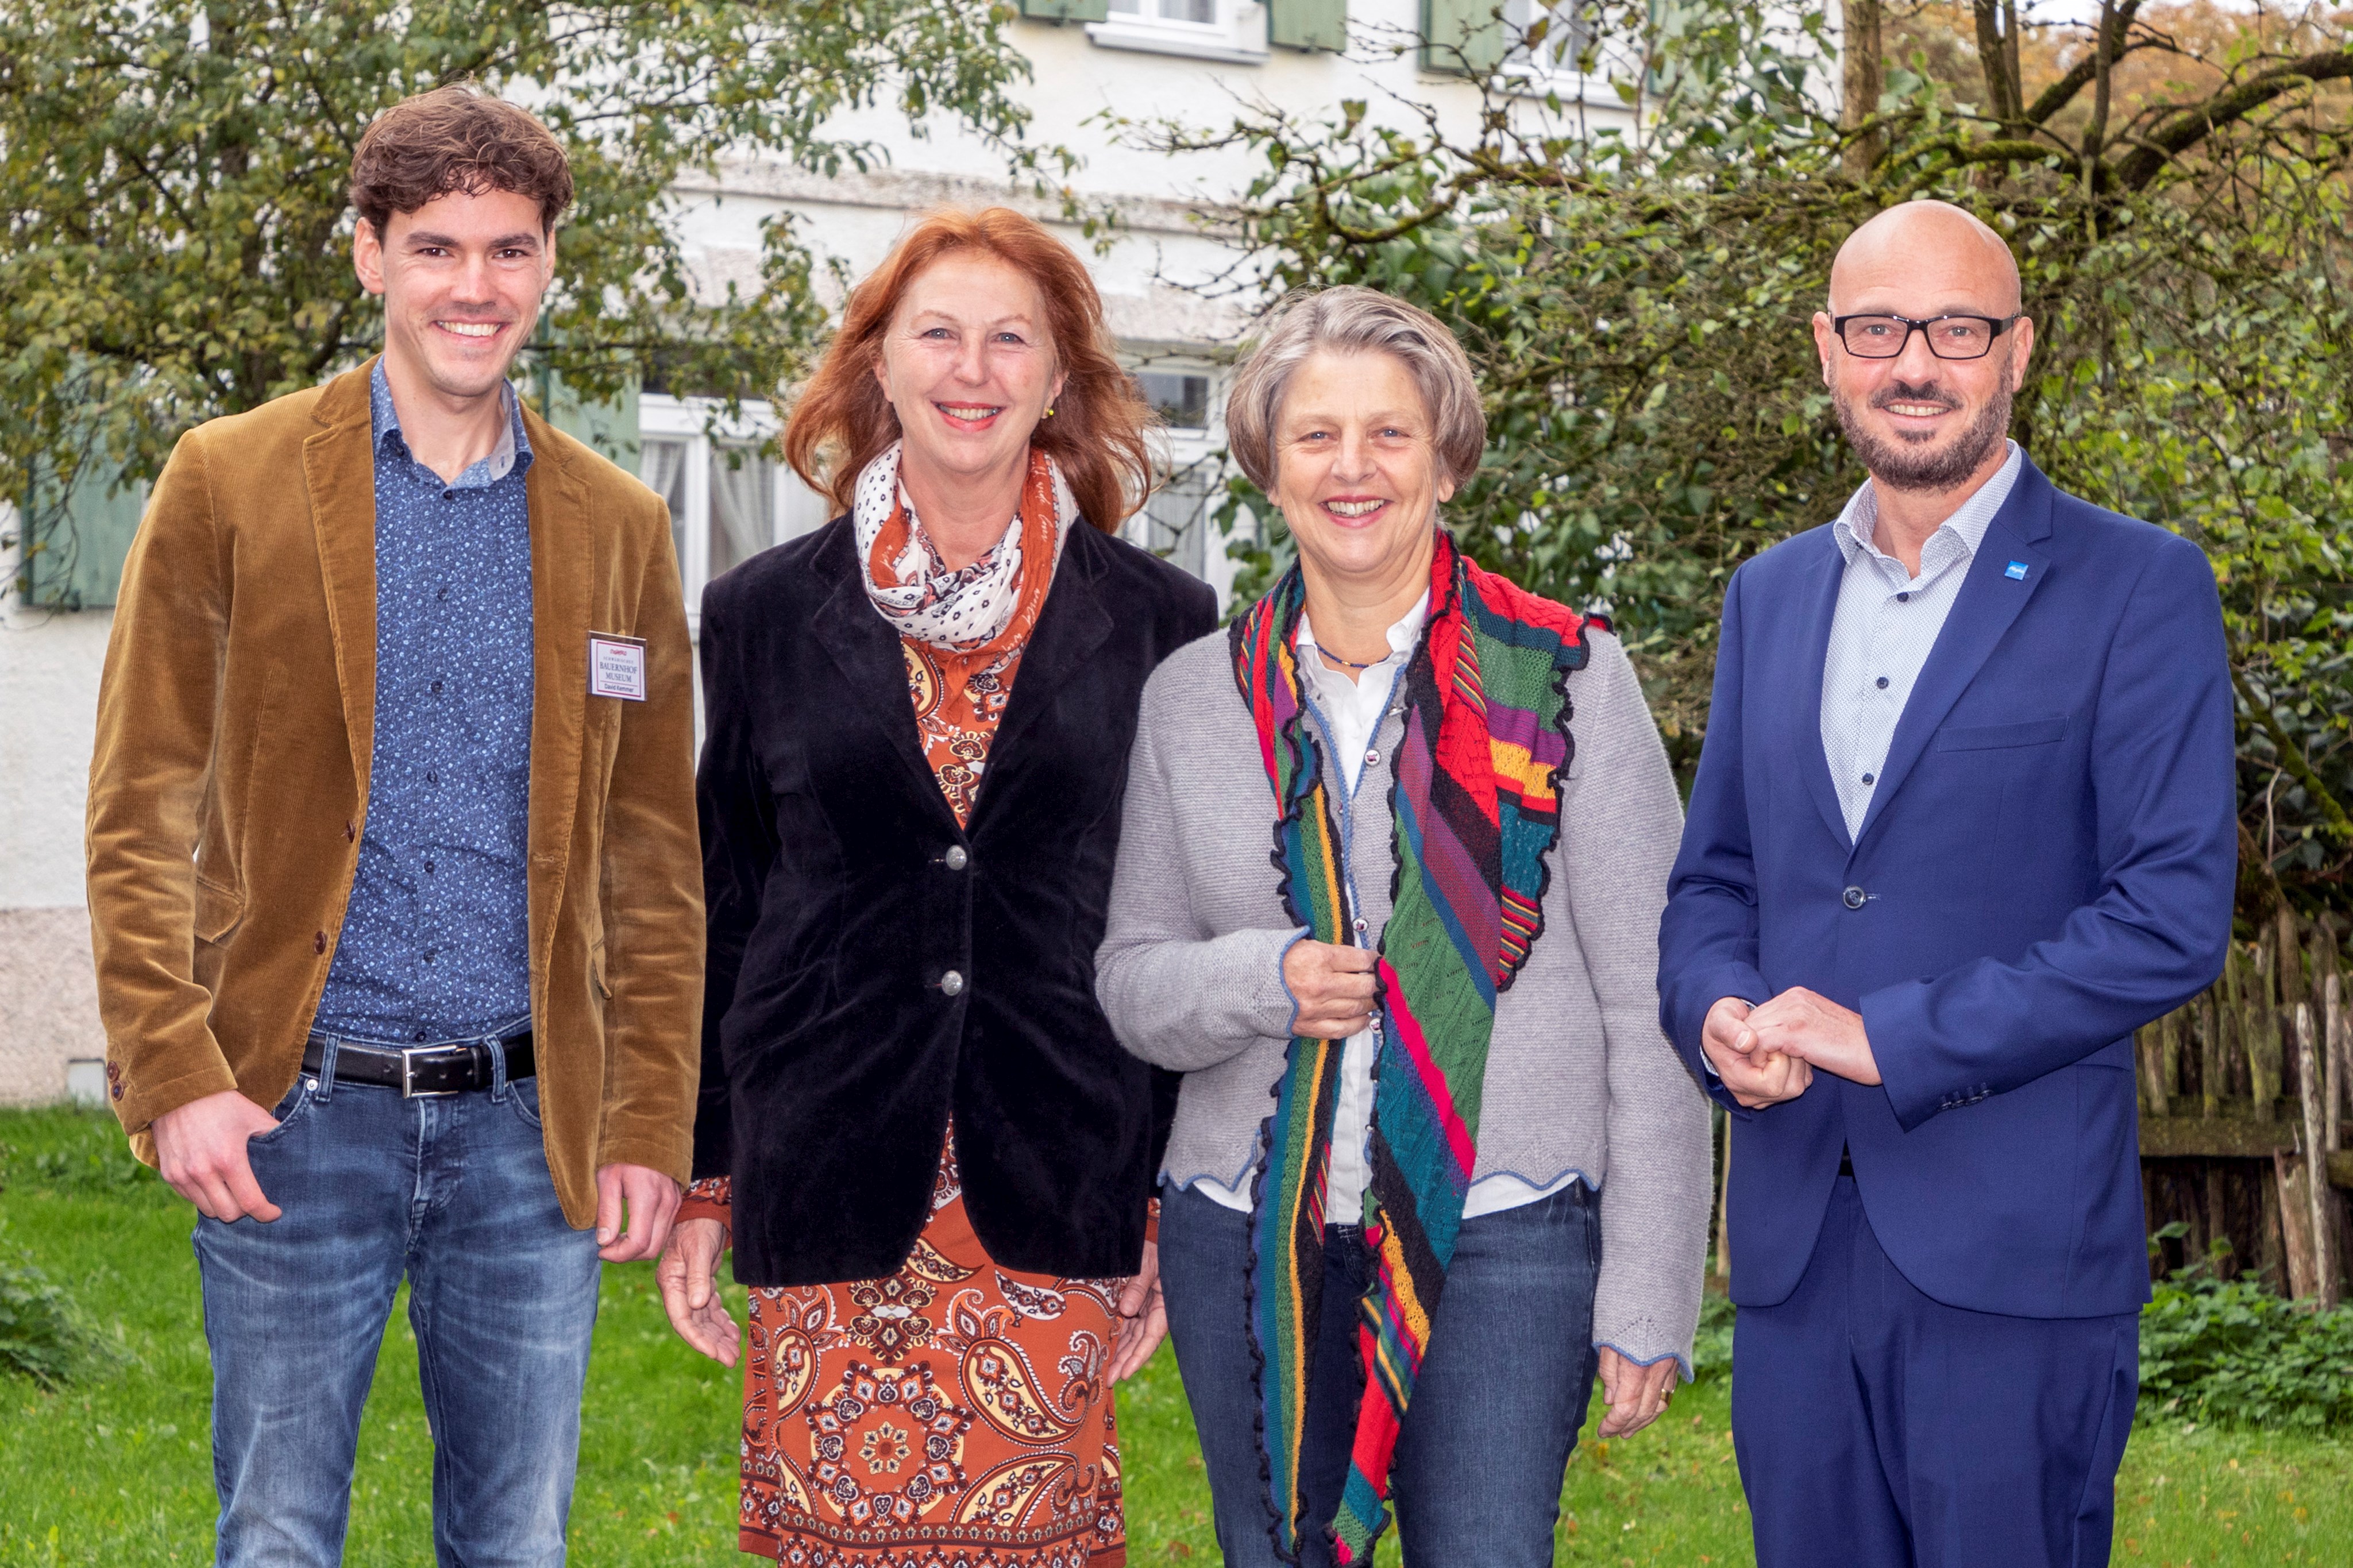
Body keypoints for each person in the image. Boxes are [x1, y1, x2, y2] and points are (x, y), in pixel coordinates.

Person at [82, 85, 703, 1566]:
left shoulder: (617, 523)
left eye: (506, 249)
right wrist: (176, 1073)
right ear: (368, 257)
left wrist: (644, 1120)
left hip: (524, 1131)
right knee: (279, 1539)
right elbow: (137, 804)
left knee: (517, 1547)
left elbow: (653, 864)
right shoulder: (227, 482)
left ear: (550, 262)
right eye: (433, 248)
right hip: (295, 1116)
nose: (472, 287)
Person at [1656, 200, 2238, 1568]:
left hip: (2010, 1250)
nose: (1911, 363)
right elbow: (1713, 881)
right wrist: (1719, 1016)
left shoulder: (2137, 587)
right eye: (1875, 329)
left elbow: (2166, 916)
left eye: (1955, 329)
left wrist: (1887, 1037)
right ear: (1825, 350)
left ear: (2016, 351)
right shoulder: (1770, 595)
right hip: (1795, 1247)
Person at [1095, 285, 1712, 1567]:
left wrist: (1650, 1290)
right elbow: (1132, 983)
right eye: (1315, 436)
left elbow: (1648, 1004)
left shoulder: (1566, 684)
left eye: (1388, 434)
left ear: (1445, 459)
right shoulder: (1193, 699)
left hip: (1504, 1234)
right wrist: (1261, 977)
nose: (1352, 468)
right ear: (1269, 468)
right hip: (1250, 1231)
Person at [653, 206, 1217, 1567]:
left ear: (1058, 379)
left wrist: (1154, 1196)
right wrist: (704, 1175)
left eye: (1009, 338)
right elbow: (729, 906)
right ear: (879, 369)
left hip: (1054, 1163)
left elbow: (1173, 918)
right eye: (939, 335)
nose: (973, 368)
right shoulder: (759, 612)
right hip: (830, 1155)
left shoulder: (1161, 623)